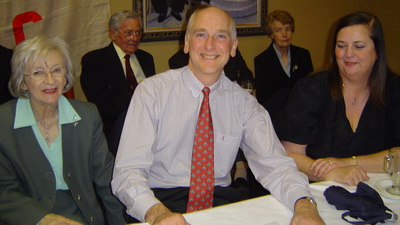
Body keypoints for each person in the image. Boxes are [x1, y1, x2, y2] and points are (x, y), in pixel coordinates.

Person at [112, 6, 325, 225]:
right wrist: (157, 213)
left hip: (220, 202)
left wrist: (305, 204)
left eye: (221, 36)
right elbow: (128, 173)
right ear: (186, 42)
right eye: (201, 34)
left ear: (233, 47)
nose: (210, 45)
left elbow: (276, 165)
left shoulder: (244, 103)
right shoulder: (152, 92)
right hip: (160, 200)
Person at [0, 35, 126, 225]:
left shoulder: (87, 116)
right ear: (23, 81)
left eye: (57, 70)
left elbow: (107, 181)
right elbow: (3, 189)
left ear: (66, 75)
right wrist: (42, 219)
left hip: (84, 218)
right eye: (37, 73)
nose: (50, 80)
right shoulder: (4, 121)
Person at [277, 11, 400, 186]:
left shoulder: (394, 89)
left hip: (379, 190)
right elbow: (290, 154)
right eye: (341, 45)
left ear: (377, 51)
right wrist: (331, 173)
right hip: (318, 190)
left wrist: (347, 163)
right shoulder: (311, 89)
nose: (348, 54)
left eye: (358, 46)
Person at [80, 10, 155, 155]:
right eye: (128, 33)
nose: (134, 38)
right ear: (113, 34)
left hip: (149, 127)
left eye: (138, 33)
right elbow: (100, 105)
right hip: (115, 131)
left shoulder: (146, 58)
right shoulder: (95, 60)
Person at [254, 10, 313, 123]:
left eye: (288, 29)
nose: (284, 34)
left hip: (303, 116)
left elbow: (311, 89)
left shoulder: (303, 55)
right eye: (278, 30)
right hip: (277, 118)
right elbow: (263, 100)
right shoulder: (262, 60)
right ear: (271, 34)